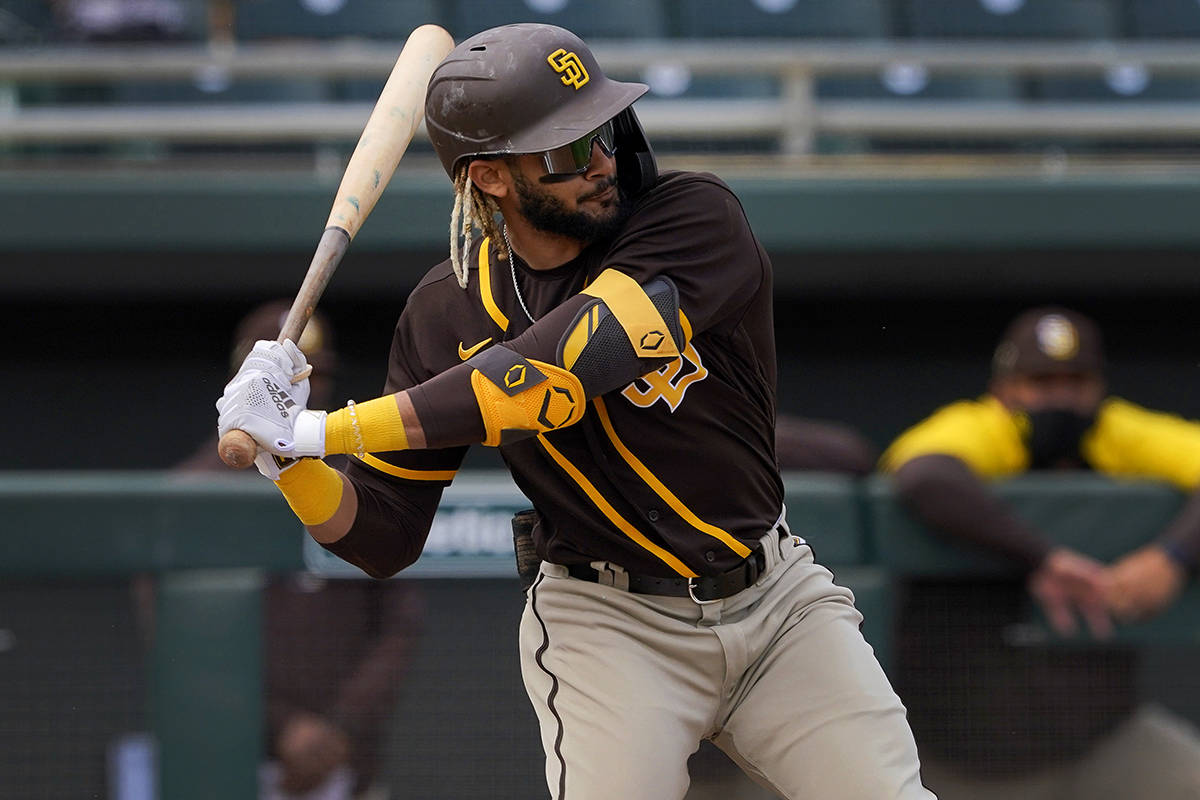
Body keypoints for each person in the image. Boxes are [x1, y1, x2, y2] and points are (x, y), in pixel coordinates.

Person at [215, 24, 932, 800]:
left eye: (602, 131)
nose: (598, 164)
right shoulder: (443, 312)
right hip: (609, 626)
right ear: (489, 179)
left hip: (776, 604)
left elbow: (552, 374)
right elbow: (381, 536)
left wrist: (320, 426)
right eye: (563, 151)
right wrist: (291, 462)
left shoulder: (693, 217)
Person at [880, 305, 1200, 799]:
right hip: (955, 759)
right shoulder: (984, 428)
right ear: (1004, 389)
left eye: (1075, 383)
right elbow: (924, 475)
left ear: (1098, 389)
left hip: (1099, 747)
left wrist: (1171, 558)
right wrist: (1043, 558)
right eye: (1041, 383)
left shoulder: (1114, 431)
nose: (1060, 399)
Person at [177, 300, 423, 800]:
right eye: (279, 383)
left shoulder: (360, 484)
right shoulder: (192, 493)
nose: (307, 392)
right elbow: (176, 641)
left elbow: (400, 622)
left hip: (348, 764)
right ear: (242, 378)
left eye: (315, 377)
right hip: (225, 760)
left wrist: (338, 729)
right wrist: (285, 727)